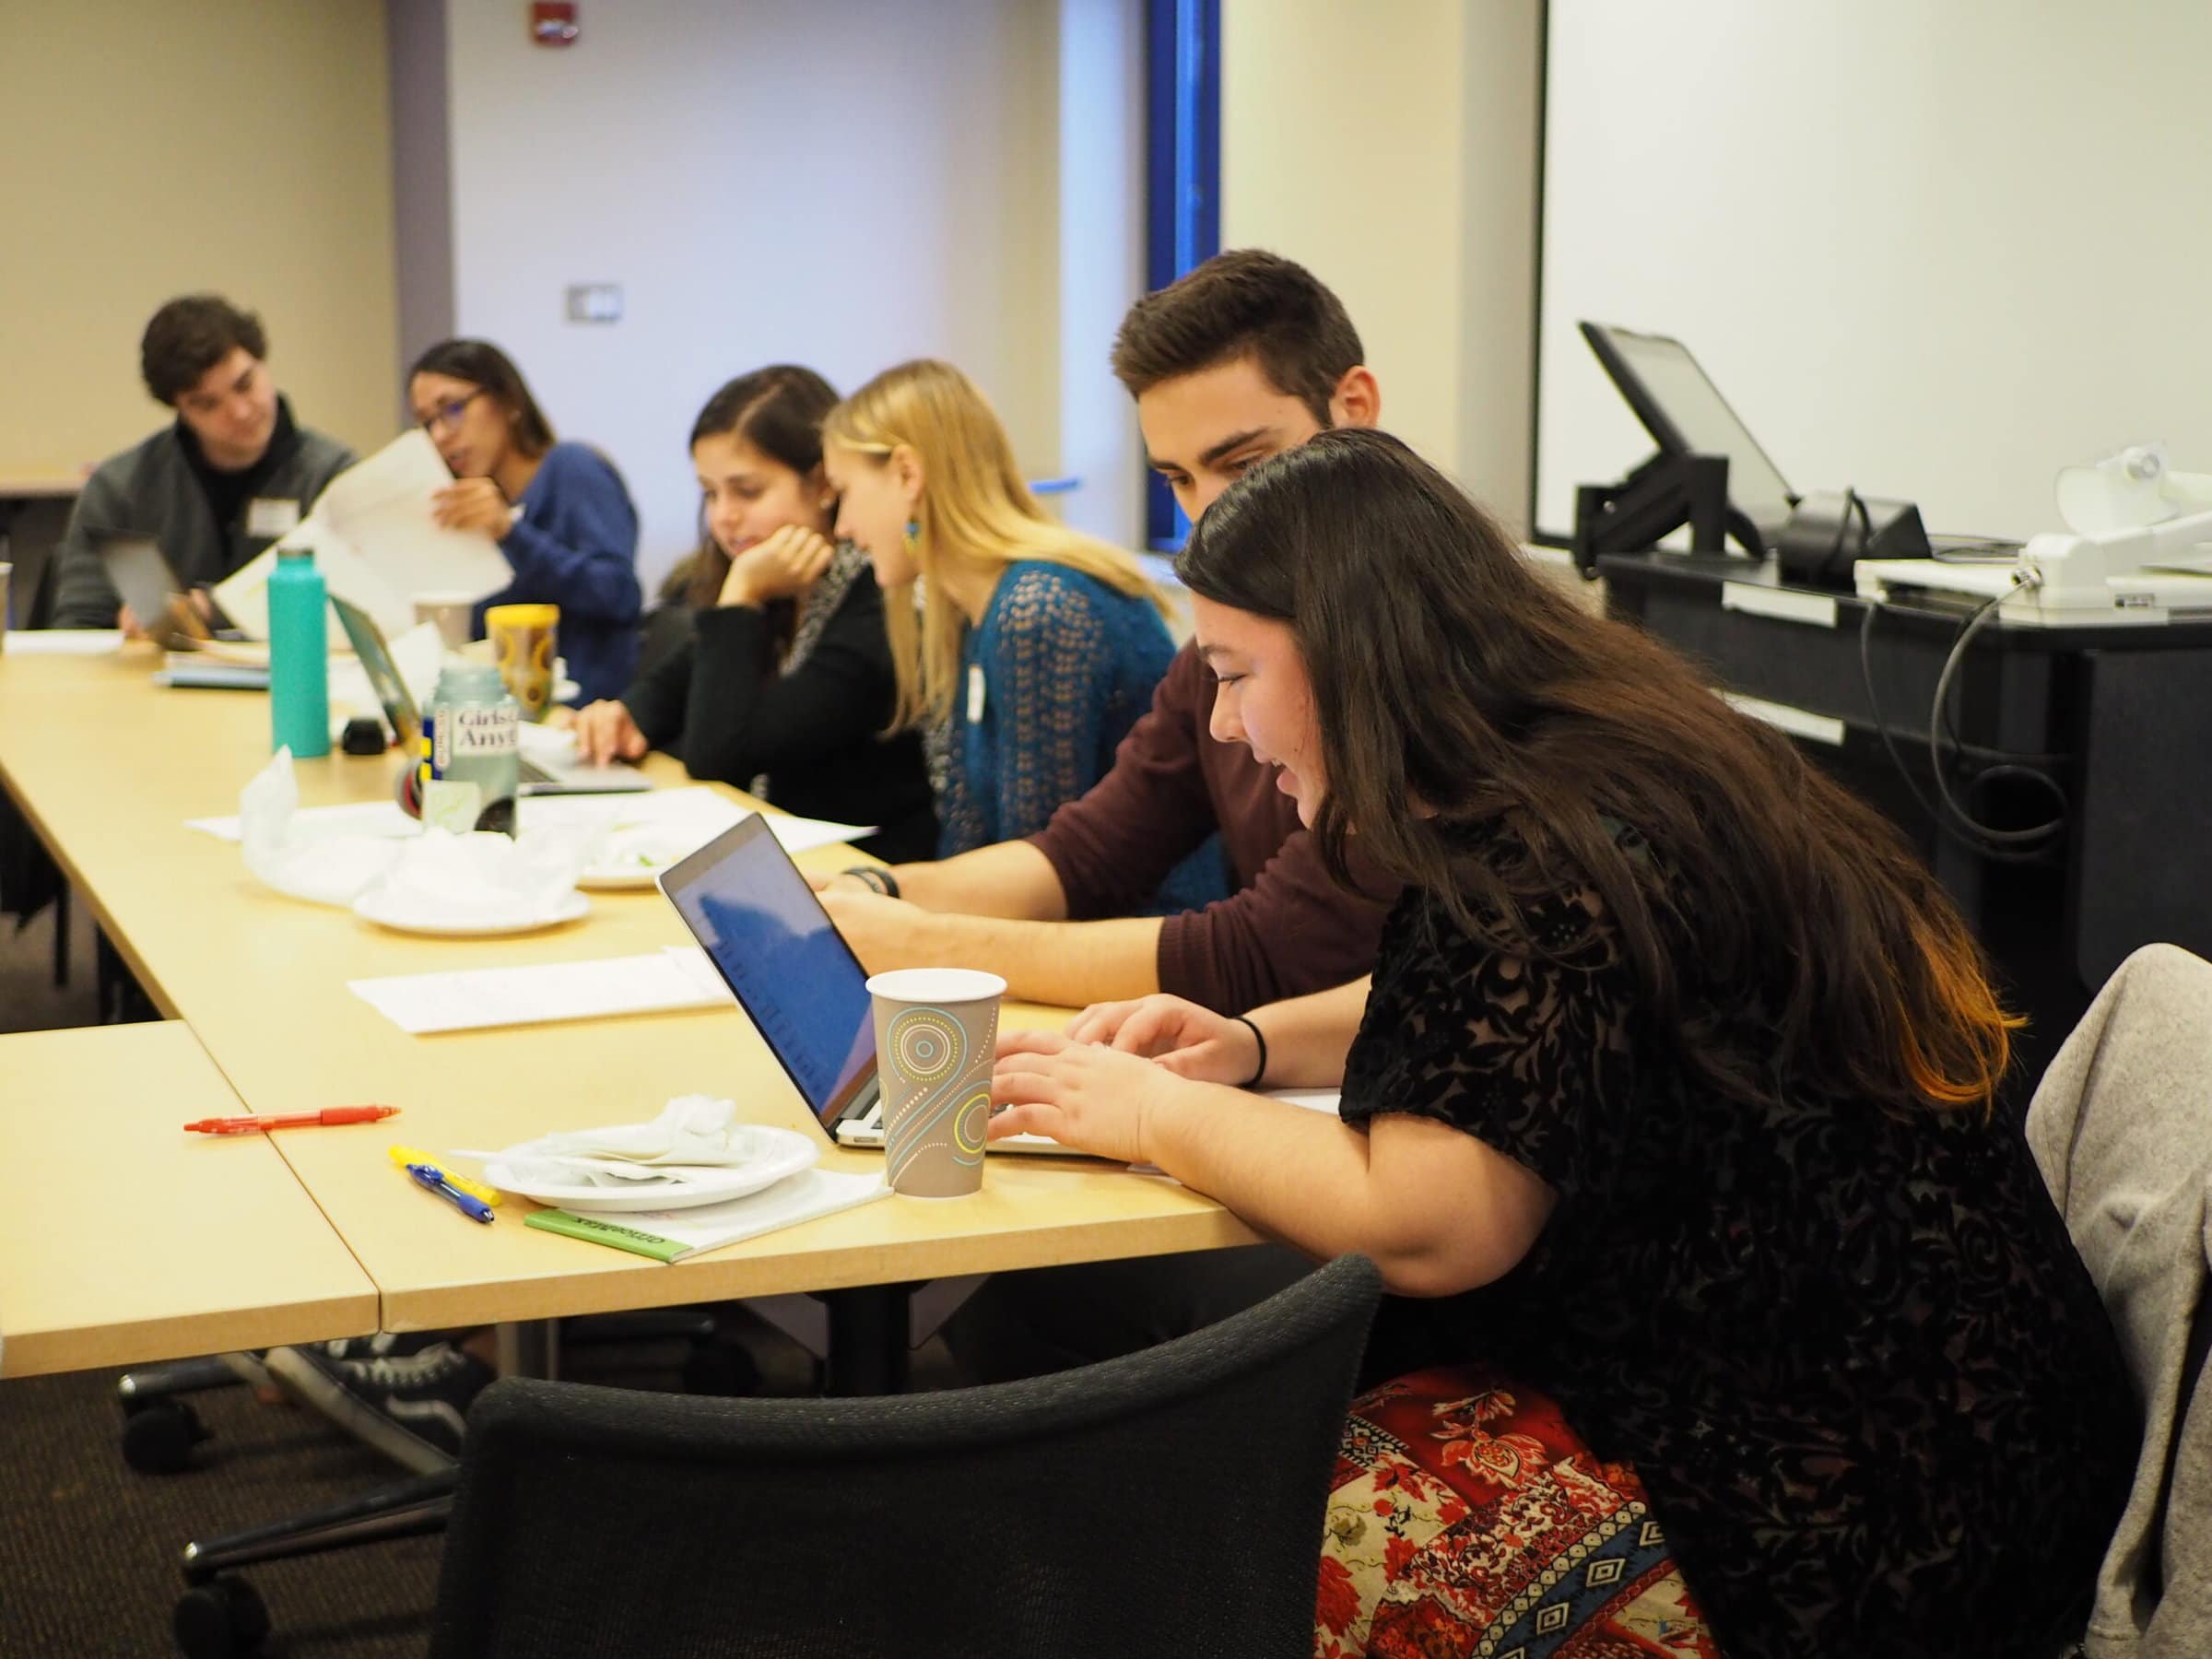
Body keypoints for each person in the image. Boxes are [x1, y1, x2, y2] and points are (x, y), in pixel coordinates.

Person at [987, 429, 2136, 1658]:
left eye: (1232, 673)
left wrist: (1155, 1115)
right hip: (1969, 1424)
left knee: (1223, 1527)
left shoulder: (1524, 854)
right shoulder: (1588, 763)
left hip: (1866, 1511)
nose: (1221, 724)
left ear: (1348, 657)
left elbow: (1433, 1222)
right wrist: (1256, 1048)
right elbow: (1515, 1023)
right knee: (1243, 1422)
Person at [815, 251, 1394, 1013]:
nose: (1211, 513)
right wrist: (882, 889)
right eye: (1179, 479)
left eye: (1244, 462)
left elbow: (1272, 948)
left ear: (1352, 406)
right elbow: (1087, 852)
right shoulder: (1216, 653)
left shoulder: (1414, 645)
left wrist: (919, 943)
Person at [819, 359, 1218, 912]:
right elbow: (968, 833)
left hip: (1142, 947)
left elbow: (1044, 876)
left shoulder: (1036, 608)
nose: (840, 527)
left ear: (908, 475)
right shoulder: (972, 607)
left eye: (843, 491)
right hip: (1070, 938)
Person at [568, 366, 935, 862]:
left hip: (867, 877)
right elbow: (666, 690)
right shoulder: (781, 586)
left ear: (825, 482)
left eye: (748, 491)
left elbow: (718, 754)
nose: (723, 516)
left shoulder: (877, 601)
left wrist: (741, 593)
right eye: (710, 493)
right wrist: (621, 715)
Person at [49, 294, 354, 628]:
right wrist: (128, 632)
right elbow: (79, 624)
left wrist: (214, 614)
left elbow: (360, 611)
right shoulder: (119, 489)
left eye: (245, 384)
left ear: (262, 361)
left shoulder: (336, 477)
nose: (239, 412)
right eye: (208, 405)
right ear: (179, 410)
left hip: (297, 674)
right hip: (151, 677)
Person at [406, 339, 642, 706]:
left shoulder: (572, 467)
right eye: (426, 423)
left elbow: (618, 594)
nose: (439, 435)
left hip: (582, 716)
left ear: (509, 402)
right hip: (500, 715)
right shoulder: (470, 506)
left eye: (452, 408)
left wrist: (510, 533)